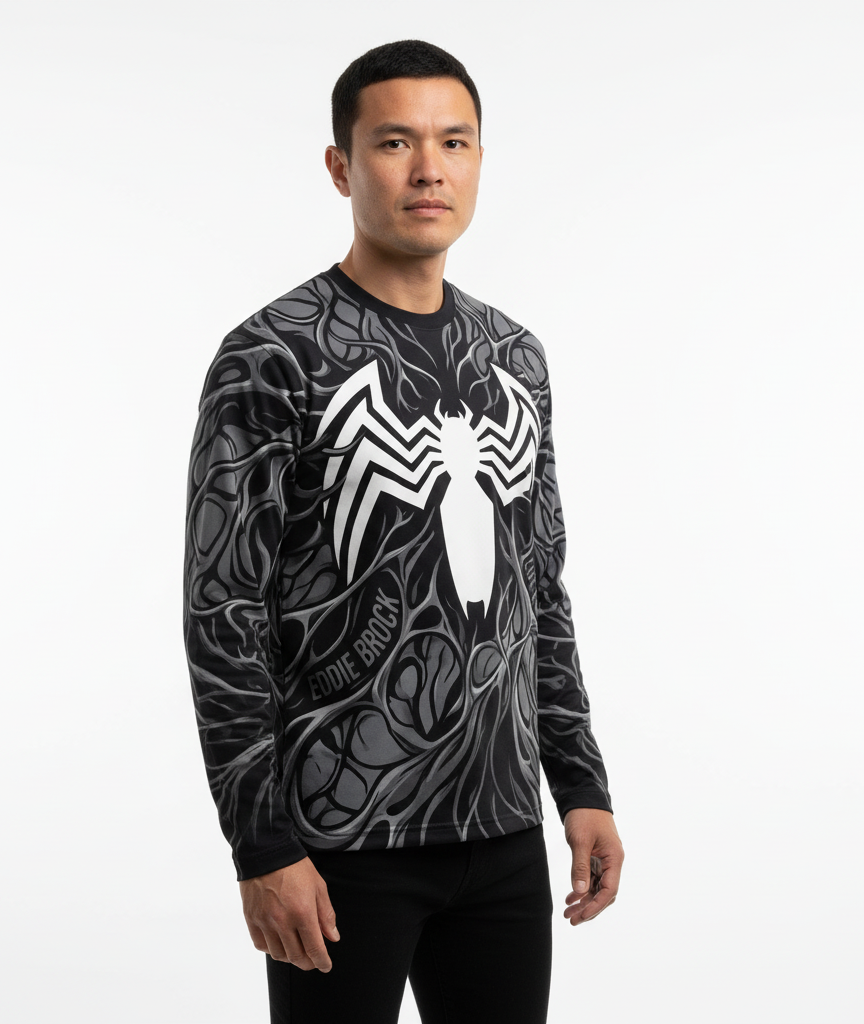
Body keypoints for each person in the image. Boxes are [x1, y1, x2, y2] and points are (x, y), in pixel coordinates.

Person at [183, 38, 624, 1024]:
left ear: (479, 160)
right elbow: (224, 612)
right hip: (341, 839)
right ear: (341, 166)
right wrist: (262, 844)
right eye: (394, 142)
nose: (429, 169)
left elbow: (538, 588)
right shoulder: (273, 354)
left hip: (501, 830)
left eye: (453, 142)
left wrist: (580, 784)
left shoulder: (515, 356)